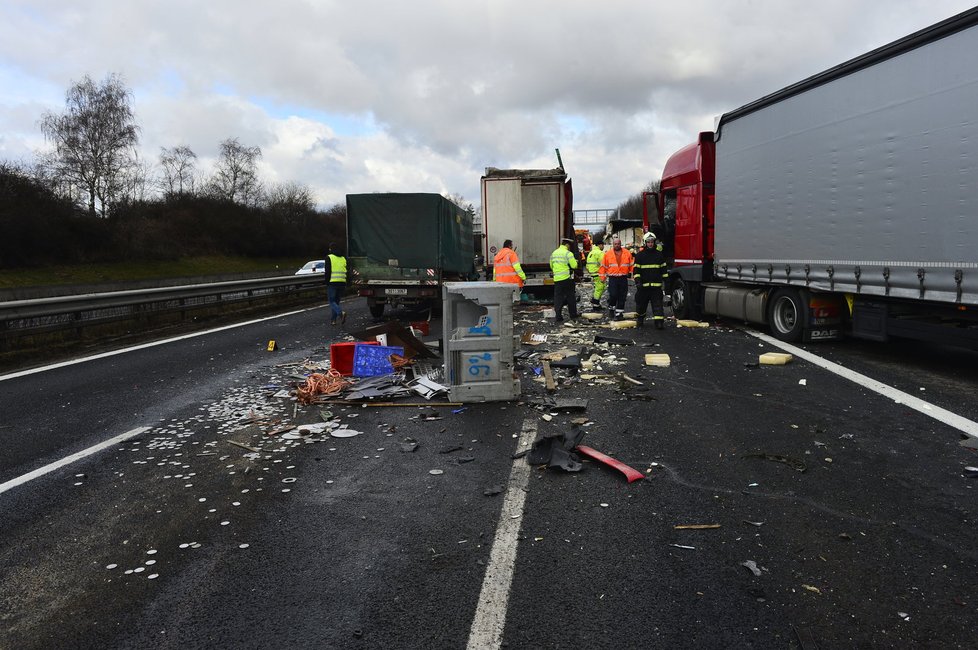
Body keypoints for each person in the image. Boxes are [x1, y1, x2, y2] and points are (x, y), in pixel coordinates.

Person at [633, 231, 667, 329]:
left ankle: (659, 322)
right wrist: (638, 281)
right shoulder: (639, 256)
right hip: (643, 286)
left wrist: (667, 282)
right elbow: (636, 271)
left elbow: (664, 270)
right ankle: (640, 319)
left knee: (658, 305)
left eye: (652, 242)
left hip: (656, 287)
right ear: (645, 243)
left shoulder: (659, 255)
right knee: (641, 304)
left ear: (654, 242)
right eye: (648, 242)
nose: (650, 244)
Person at [600, 236, 634, 320]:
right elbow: (603, 267)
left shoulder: (627, 253)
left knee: (622, 296)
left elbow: (632, 265)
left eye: (618, 244)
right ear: (613, 244)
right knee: (613, 295)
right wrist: (602, 277)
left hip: (623, 278)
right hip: (613, 278)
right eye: (615, 244)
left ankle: (619, 314)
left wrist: (633, 275)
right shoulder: (608, 254)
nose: (617, 245)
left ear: (620, 244)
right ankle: (611, 308)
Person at [549, 237, 579, 322]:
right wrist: (575, 262)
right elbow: (574, 266)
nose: (569, 247)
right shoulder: (568, 253)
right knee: (570, 297)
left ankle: (558, 316)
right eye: (569, 245)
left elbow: (551, 266)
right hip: (567, 279)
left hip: (557, 279)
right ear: (567, 245)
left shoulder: (554, 253)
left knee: (558, 298)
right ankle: (573, 315)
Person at [324, 243, 347, 325]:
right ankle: (333, 320)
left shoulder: (329, 257)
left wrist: (326, 281)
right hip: (342, 282)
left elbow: (328, 271)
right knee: (336, 302)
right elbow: (346, 270)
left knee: (331, 301)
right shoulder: (343, 258)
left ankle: (341, 313)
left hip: (332, 282)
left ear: (331, 249)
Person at [585, 236, 606, 310]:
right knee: (600, 288)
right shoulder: (600, 253)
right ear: (600, 245)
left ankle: (595, 300)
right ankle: (595, 303)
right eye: (603, 245)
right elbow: (604, 263)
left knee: (599, 287)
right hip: (598, 273)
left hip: (593, 273)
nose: (603, 247)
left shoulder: (591, 253)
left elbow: (587, 264)